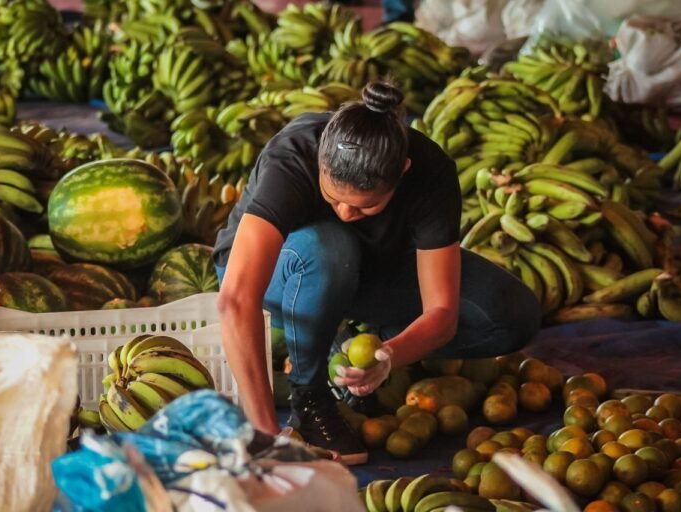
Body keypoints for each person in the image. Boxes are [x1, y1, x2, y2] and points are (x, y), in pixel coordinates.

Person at [213, 80, 541, 465]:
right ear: (320, 160)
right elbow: (236, 299)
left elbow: (442, 313)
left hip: (368, 272)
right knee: (330, 245)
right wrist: (265, 433)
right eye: (334, 198)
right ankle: (309, 393)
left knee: (510, 315)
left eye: (365, 208)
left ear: (401, 171)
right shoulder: (293, 156)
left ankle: (346, 340)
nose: (346, 213)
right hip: (282, 276)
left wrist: (389, 355)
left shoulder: (430, 174)